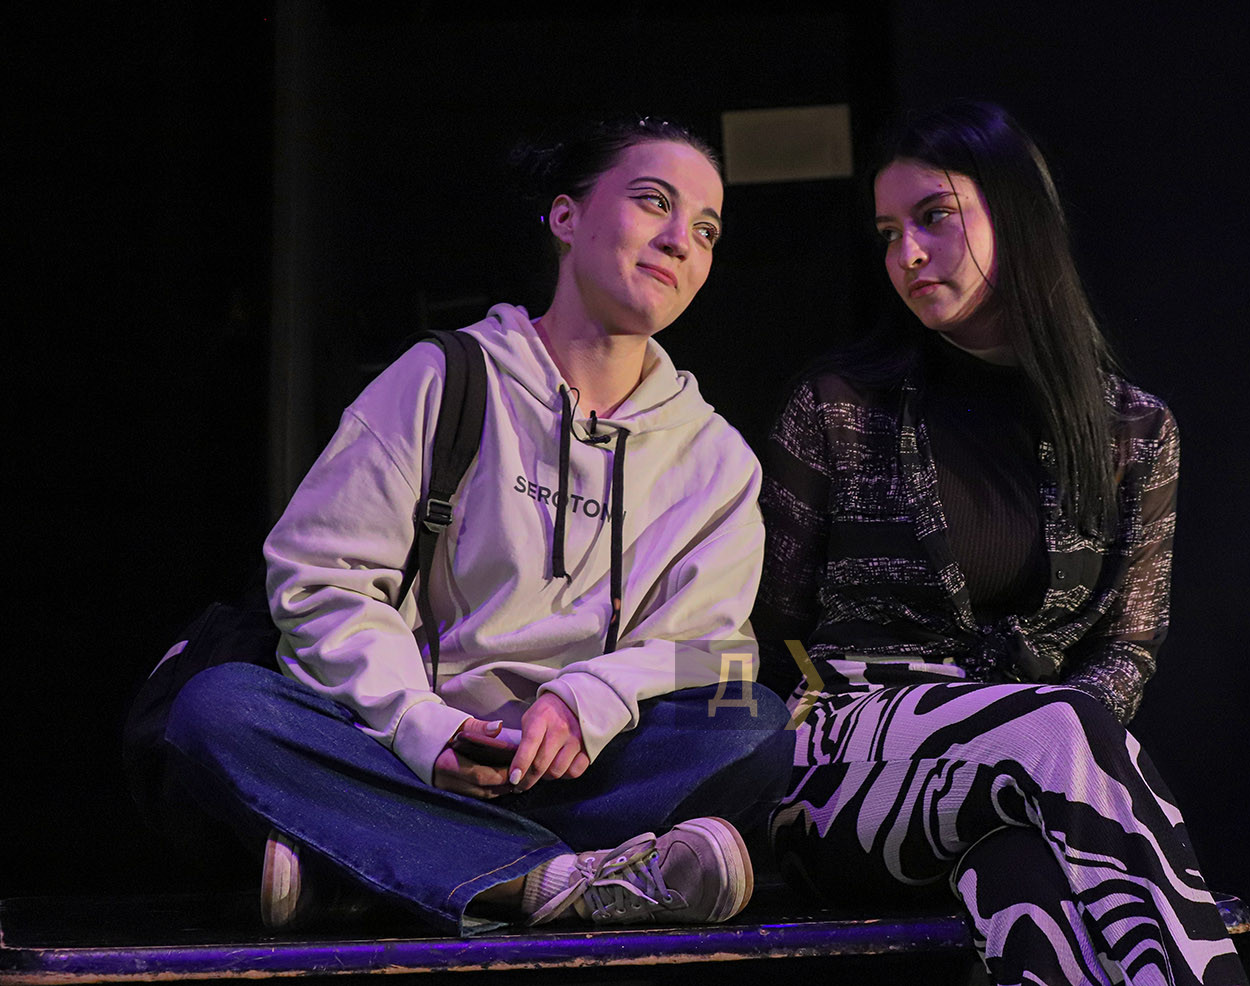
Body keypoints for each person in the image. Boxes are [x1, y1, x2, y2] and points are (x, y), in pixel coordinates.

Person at [134, 116, 791, 935]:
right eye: (653, 202)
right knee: (219, 707)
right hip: (396, 752)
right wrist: (424, 728)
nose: (680, 239)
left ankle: (374, 865)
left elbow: (716, 652)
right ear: (566, 217)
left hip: (584, 767)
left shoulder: (716, 458)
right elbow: (318, 580)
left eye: (706, 229)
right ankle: (559, 880)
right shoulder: (444, 377)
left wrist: (590, 700)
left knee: (752, 720)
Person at [753, 100, 1248, 985]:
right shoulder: (839, 408)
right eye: (889, 232)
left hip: (1029, 777)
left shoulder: (1135, 432)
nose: (907, 254)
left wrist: (1027, 731)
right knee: (1059, 726)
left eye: (933, 217)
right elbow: (769, 626)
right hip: (845, 767)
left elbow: (1129, 647)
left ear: (1017, 217)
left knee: (1025, 884)